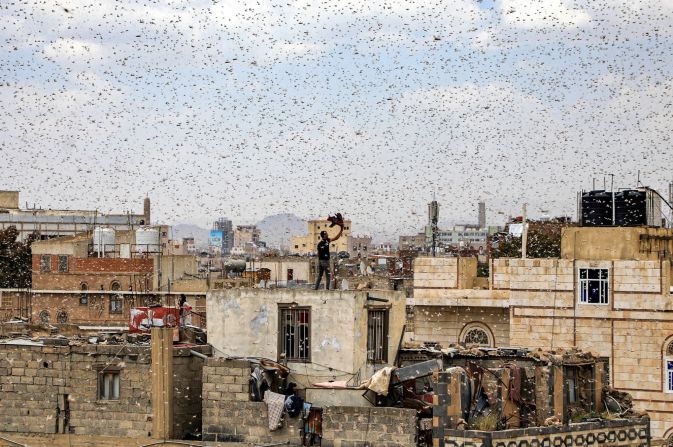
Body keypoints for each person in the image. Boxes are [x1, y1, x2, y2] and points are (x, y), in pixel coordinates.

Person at [314, 213, 344, 290]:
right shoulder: (323, 243)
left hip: (321, 261)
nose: (327, 234)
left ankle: (316, 288)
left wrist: (341, 230)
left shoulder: (324, 242)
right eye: (326, 234)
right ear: (323, 235)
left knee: (320, 275)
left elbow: (335, 238)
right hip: (324, 261)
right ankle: (327, 289)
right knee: (328, 275)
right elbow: (319, 252)